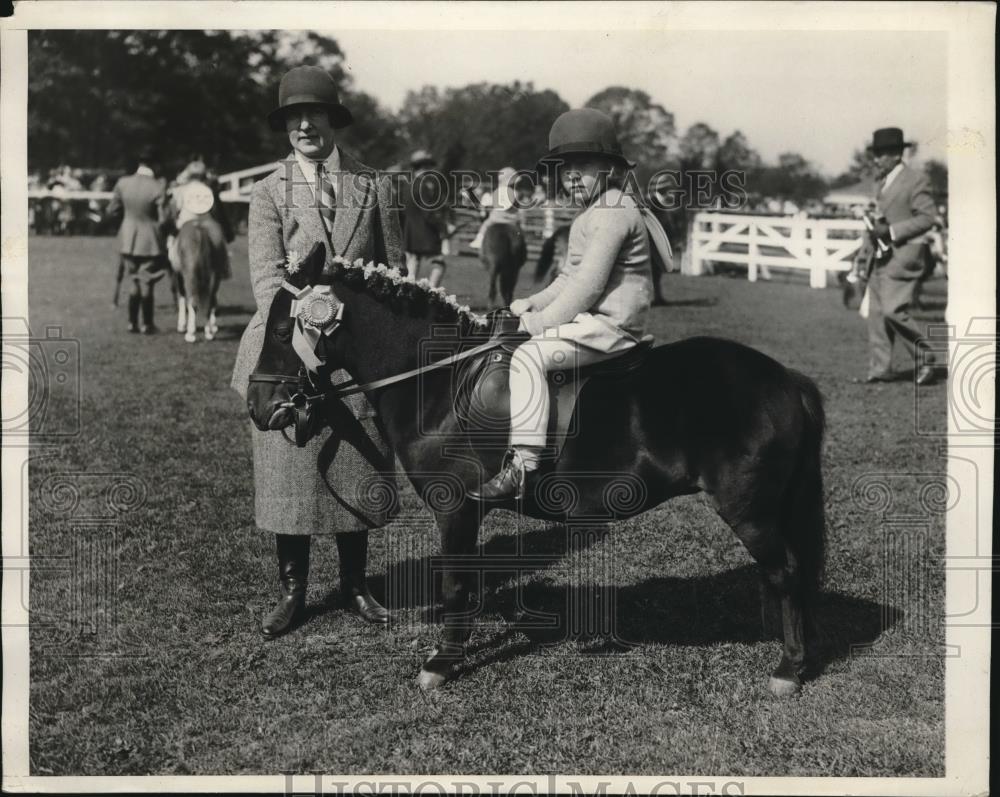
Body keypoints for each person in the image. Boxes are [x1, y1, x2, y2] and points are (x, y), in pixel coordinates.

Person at [230, 65, 404, 638]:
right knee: (291, 470)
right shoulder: (267, 191)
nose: (305, 125)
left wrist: (358, 329)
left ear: (334, 120)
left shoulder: (373, 185)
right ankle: (292, 591)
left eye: (315, 114)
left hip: (356, 358)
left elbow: (393, 274)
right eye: (292, 117)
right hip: (285, 357)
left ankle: (357, 585)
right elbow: (263, 281)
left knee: (358, 459)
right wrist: (305, 324)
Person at [469, 108, 653, 501]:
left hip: (612, 327)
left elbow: (587, 287)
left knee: (528, 358)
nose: (570, 175)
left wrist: (537, 325)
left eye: (582, 165)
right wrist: (528, 302)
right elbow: (569, 277)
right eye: (564, 167)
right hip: (593, 321)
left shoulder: (613, 210)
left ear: (610, 168)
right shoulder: (592, 211)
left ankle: (523, 467)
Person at [861, 127, 940, 386]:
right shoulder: (880, 182)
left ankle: (926, 358)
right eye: (876, 154)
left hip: (904, 254)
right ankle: (880, 368)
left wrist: (892, 231)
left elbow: (927, 218)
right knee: (876, 313)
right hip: (879, 255)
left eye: (882, 154)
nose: (877, 159)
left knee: (893, 310)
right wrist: (865, 249)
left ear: (896, 154)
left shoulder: (916, 180)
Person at [106, 146, 170, 333]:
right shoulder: (158, 186)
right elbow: (164, 218)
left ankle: (132, 322)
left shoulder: (123, 183)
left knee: (134, 281)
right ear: (155, 165)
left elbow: (112, 210)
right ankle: (147, 324)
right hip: (150, 241)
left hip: (127, 239)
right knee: (147, 281)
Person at [401, 149, 450, 287]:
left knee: (413, 264)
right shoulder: (423, 186)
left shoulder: (407, 185)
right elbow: (428, 214)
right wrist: (443, 229)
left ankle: (408, 295)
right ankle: (432, 295)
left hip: (410, 234)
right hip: (426, 233)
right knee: (439, 262)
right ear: (424, 167)